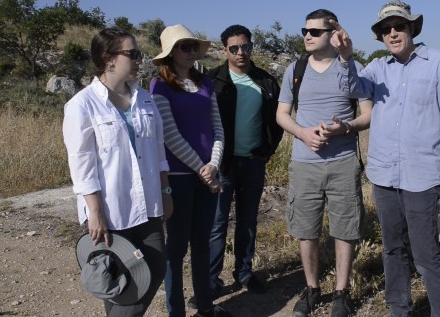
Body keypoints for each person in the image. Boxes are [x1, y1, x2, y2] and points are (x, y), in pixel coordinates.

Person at [339, 0, 440, 316]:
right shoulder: (376, 68)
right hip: (383, 175)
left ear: (412, 28)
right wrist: (345, 56)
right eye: (386, 29)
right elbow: (350, 86)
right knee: (392, 249)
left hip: (422, 176)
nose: (393, 33)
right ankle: (399, 309)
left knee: (427, 255)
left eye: (399, 26)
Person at [63, 27, 172, 317]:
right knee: (114, 275)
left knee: (156, 267)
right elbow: (82, 165)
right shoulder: (82, 105)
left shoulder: (145, 100)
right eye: (132, 54)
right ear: (108, 58)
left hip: (148, 204)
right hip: (111, 211)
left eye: (139, 54)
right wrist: (94, 212)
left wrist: (165, 192)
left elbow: (159, 152)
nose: (139, 60)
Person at [275, 9, 372, 317]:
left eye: (315, 31)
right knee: (307, 229)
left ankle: (342, 292)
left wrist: (346, 128)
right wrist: (303, 133)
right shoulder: (295, 68)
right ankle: (312, 288)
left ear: (333, 34)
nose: (307, 35)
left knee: (345, 228)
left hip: (343, 161)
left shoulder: (353, 67)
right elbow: (281, 115)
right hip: (304, 163)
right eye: (305, 30)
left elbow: (367, 113)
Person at [195, 24, 283, 303]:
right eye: (234, 48)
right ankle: (210, 281)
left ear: (251, 47)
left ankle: (244, 272)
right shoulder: (212, 81)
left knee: (247, 221)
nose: (240, 52)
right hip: (223, 164)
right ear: (225, 50)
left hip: (253, 163)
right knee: (217, 223)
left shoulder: (266, 81)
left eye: (245, 46)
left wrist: (267, 151)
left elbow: (277, 121)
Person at [149, 24, 230, 317]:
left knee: (202, 243)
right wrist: (202, 169)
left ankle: (205, 307)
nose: (190, 51)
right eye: (184, 46)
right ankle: (176, 311)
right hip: (180, 177)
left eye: (192, 45)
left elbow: (217, 127)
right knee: (177, 247)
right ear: (170, 53)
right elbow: (169, 134)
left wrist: (214, 165)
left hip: (207, 174)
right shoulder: (159, 85)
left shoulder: (205, 83)